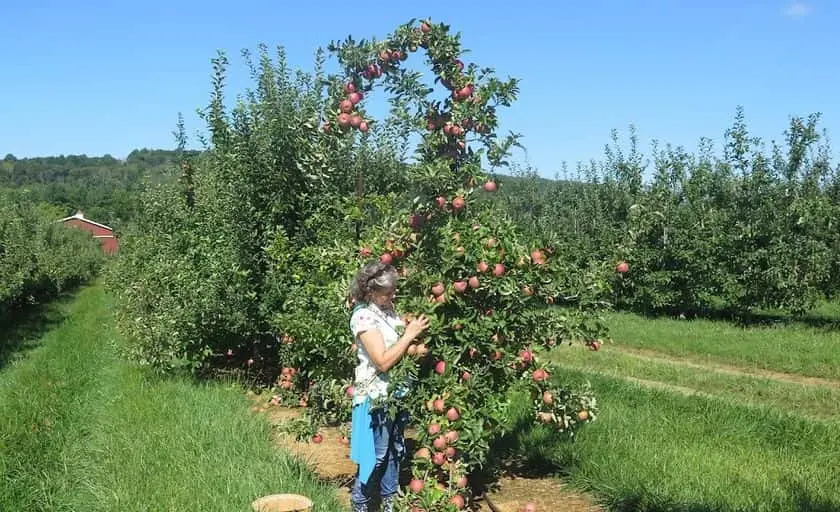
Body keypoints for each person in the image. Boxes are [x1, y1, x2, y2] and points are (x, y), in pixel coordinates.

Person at [347, 261, 429, 512]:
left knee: (395, 451)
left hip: (396, 395)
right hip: (376, 398)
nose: (392, 295)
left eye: (394, 290)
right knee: (377, 454)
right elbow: (382, 361)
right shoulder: (363, 316)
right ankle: (361, 504)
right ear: (371, 291)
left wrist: (414, 343)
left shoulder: (388, 309)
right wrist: (409, 336)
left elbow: (399, 345)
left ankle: (389, 503)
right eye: (388, 292)